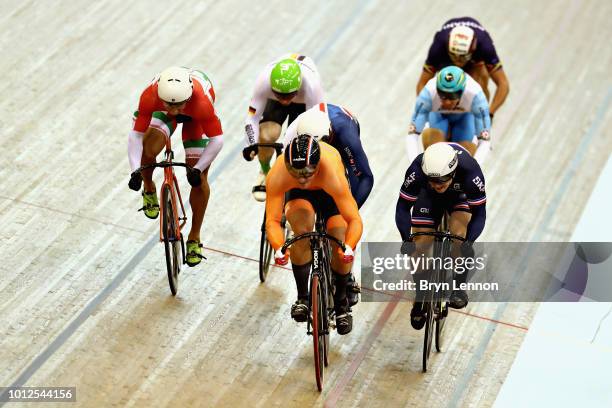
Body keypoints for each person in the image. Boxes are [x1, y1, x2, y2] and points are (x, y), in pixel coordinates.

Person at [265, 135, 363, 335]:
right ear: (287, 165)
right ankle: (303, 297)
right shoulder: (278, 174)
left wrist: (349, 247)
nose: (302, 178)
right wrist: (278, 248)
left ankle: (341, 303)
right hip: (300, 197)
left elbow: (354, 220)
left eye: (308, 172)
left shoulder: (332, 172)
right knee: (300, 232)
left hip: (330, 193)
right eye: (296, 172)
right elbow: (273, 221)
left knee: (339, 234)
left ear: (317, 165)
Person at [127, 66, 223, 267]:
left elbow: (217, 141)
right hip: (162, 110)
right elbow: (135, 135)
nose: (173, 111)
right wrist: (135, 170)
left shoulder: (202, 103)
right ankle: (149, 187)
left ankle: (194, 237)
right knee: (149, 146)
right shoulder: (150, 96)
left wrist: (198, 169)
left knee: (199, 179)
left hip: (195, 119)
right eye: (168, 105)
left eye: (178, 106)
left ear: (187, 98)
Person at [284, 104, 374, 306]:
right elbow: (284, 175)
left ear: (329, 136)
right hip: (306, 164)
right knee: (301, 230)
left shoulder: (344, 132)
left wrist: (349, 210)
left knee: (341, 228)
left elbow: (365, 176)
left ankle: (344, 281)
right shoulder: (293, 135)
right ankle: (303, 298)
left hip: (340, 154)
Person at [395, 142, 487, 329]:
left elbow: (480, 213)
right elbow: (403, 207)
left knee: (458, 237)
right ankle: (421, 294)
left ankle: (459, 288)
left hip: (459, 197)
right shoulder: (417, 170)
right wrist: (406, 239)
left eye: (442, 181)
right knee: (419, 245)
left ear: (453, 172)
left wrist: (468, 242)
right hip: (427, 198)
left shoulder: (470, 171)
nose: (437, 185)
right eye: (432, 180)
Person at [243, 54, 325, 201]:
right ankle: (265, 171)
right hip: (280, 99)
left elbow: (319, 123)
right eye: (280, 95)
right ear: (272, 87)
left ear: (298, 87)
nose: (285, 101)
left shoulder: (312, 87)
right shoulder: (264, 81)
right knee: (267, 135)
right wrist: (252, 144)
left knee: (297, 141)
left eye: (289, 96)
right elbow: (252, 117)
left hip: (303, 103)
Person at [416, 17, 509, 119]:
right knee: (444, 85)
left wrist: (490, 113)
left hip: (473, 61)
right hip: (447, 60)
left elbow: (502, 84)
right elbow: (423, 83)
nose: (458, 63)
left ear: (473, 48)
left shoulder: (484, 45)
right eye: (454, 56)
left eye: (462, 58)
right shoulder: (439, 46)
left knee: (480, 83)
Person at [407, 65, 492, 164]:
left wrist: (474, 169)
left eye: (452, 96)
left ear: (462, 91)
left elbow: (485, 141)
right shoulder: (428, 93)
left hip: (464, 117)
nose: (447, 102)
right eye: (442, 95)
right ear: (437, 88)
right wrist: (414, 165)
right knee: (435, 154)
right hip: (438, 115)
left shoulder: (476, 95)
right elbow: (412, 135)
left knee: (464, 157)